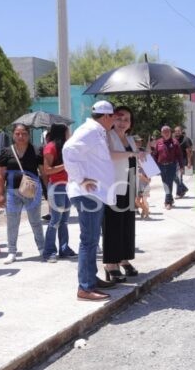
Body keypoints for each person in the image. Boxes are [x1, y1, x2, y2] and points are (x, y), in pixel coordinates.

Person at [63, 100, 118, 301]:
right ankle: (85, 287)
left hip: (95, 194)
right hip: (88, 194)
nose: (115, 120)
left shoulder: (97, 131)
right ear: (106, 116)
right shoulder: (90, 131)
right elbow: (69, 151)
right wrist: (80, 179)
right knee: (89, 240)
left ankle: (90, 279)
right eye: (114, 116)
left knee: (93, 240)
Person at [104, 106, 143, 283]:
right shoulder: (108, 136)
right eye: (119, 118)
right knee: (113, 225)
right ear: (112, 119)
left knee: (127, 225)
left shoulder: (130, 139)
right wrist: (131, 153)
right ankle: (111, 264)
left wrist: (142, 155)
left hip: (129, 185)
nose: (122, 122)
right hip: (114, 187)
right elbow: (109, 156)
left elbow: (133, 160)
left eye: (126, 119)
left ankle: (124, 258)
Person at [0, 124, 45, 264]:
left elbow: (43, 173)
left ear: (28, 135)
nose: (20, 136)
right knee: (12, 222)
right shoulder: (6, 152)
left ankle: (42, 248)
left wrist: (48, 191)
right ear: (13, 135)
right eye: (17, 133)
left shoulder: (36, 151)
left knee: (35, 221)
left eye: (23, 133)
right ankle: (12, 252)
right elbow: (0, 175)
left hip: (33, 191)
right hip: (12, 191)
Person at [41, 124, 77, 263]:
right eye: (68, 132)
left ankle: (64, 248)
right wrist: (65, 165)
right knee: (55, 220)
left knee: (64, 221)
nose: (69, 134)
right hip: (56, 186)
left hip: (67, 186)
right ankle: (49, 251)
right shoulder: (50, 147)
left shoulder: (66, 147)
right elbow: (47, 170)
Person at [152, 126, 185, 210]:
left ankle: (168, 202)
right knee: (164, 183)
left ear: (170, 133)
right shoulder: (158, 142)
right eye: (164, 132)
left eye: (168, 132)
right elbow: (155, 155)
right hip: (161, 166)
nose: (166, 133)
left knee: (168, 183)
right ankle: (171, 199)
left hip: (171, 165)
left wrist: (181, 166)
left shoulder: (175, 142)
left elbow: (179, 155)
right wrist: (154, 167)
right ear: (161, 133)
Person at [173, 126, 193, 198]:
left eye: (178, 131)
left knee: (179, 176)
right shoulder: (174, 139)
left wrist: (189, 162)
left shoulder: (185, 139)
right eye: (176, 131)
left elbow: (188, 152)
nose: (177, 132)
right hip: (174, 160)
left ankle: (179, 193)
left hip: (182, 160)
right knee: (173, 176)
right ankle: (183, 189)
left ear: (181, 131)